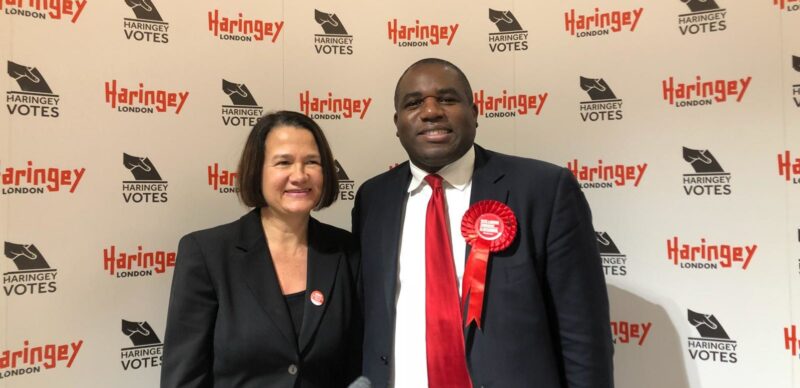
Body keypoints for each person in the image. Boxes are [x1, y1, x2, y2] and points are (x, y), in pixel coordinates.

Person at [352, 58, 614, 388]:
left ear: (475, 113)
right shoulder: (373, 199)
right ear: (397, 122)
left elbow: (583, 335)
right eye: (414, 103)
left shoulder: (544, 190)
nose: (431, 111)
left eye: (447, 99)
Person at [162, 111, 361, 388]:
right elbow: (184, 378)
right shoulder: (206, 253)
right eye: (283, 162)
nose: (299, 175)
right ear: (257, 171)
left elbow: (355, 365)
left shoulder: (346, 252)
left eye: (312, 162)